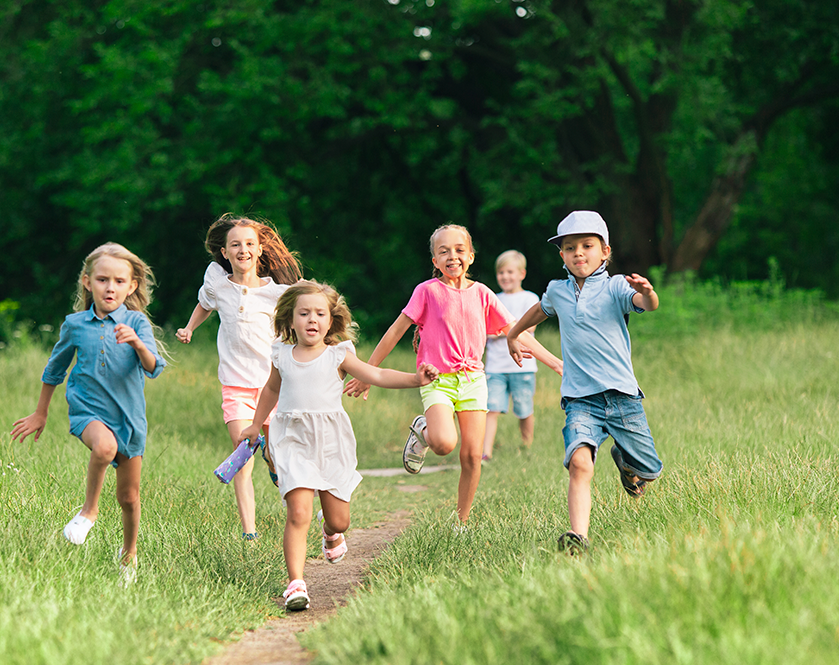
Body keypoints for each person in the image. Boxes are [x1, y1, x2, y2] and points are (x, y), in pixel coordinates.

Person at [236, 280, 436, 611]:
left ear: (331, 321)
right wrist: (256, 425)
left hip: (331, 442)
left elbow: (378, 375)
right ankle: (295, 583)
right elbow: (270, 390)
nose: (311, 320)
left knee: (340, 520)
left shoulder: (338, 355)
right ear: (290, 319)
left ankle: (330, 531)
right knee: (297, 512)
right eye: (303, 313)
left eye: (319, 314)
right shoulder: (281, 354)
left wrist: (416, 379)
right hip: (292, 439)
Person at [344, 224, 558, 523]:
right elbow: (395, 331)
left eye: (459, 250)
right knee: (444, 444)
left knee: (472, 457)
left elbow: (519, 333)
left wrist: (558, 364)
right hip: (437, 380)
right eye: (443, 251)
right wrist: (367, 372)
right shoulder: (427, 292)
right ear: (434, 261)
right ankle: (425, 430)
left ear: (470, 256)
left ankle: (461, 522)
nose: (452, 256)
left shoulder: (482, 294)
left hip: (473, 381)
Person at [504, 210, 663, 555]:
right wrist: (513, 334)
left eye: (587, 245)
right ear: (561, 255)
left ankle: (627, 463)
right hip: (580, 399)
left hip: (622, 397)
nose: (579, 253)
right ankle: (579, 537)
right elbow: (538, 311)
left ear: (605, 251)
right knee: (579, 463)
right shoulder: (557, 291)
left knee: (649, 470)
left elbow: (646, 305)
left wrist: (648, 293)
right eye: (570, 247)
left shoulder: (617, 287)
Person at [11, 242, 166, 584]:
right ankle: (88, 512)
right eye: (102, 279)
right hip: (87, 411)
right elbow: (55, 369)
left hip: (129, 418)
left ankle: (129, 557)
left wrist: (138, 344)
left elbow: (154, 367)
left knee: (129, 497)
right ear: (87, 281)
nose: (110, 287)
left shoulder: (137, 323)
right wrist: (41, 413)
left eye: (119, 281)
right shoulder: (75, 325)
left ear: (132, 286)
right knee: (104, 447)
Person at [176, 213, 302, 541]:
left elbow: (299, 323)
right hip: (235, 384)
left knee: (276, 452)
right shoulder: (218, 283)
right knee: (241, 449)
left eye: (249, 244)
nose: (242, 249)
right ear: (225, 253)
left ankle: (277, 471)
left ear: (260, 251)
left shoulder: (277, 293)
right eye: (235, 245)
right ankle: (250, 534)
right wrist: (189, 328)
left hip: (272, 387)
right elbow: (205, 304)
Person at [483, 250, 563, 460]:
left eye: (510, 272)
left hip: (523, 366)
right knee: (491, 408)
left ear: (521, 274)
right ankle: (486, 453)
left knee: (524, 408)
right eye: (501, 272)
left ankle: (527, 446)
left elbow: (530, 329)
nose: (505, 276)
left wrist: (504, 331)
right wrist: (509, 331)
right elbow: (487, 331)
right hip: (495, 367)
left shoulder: (530, 298)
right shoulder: (493, 299)